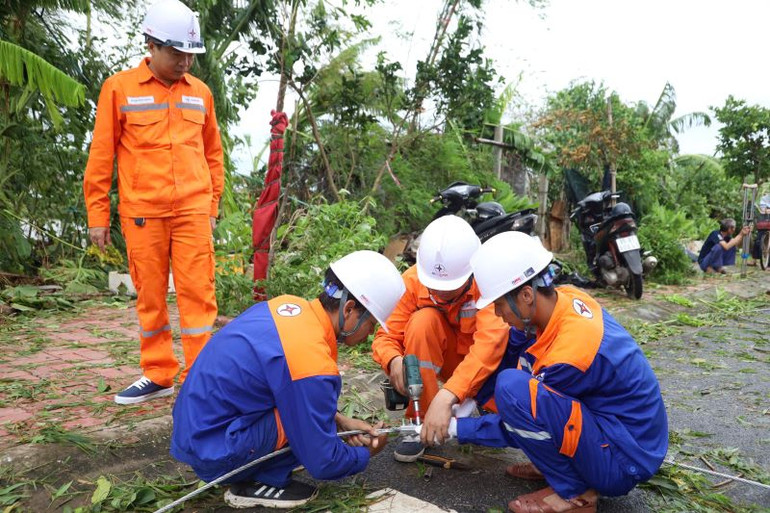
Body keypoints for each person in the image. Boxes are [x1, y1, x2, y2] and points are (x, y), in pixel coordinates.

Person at [443, 232, 667, 513]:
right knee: (508, 351)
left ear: (526, 295)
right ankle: (562, 464)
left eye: (499, 305)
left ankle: (576, 494)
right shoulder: (566, 299)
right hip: (622, 433)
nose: (498, 315)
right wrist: (462, 396)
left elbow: (521, 418)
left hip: (623, 461)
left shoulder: (569, 356)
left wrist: (455, 428)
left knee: (513, 389)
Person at [171, 251, 406, 509]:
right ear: (349, 309)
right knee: (306, 430)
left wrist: (338, 420)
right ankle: (257, 483)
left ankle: (253, 465)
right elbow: (324, 461)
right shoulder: (312, 360)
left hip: (199, 431)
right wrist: (366, 453)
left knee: (308, 414)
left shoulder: (289, 307)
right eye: (371, 324)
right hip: (216, 450)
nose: (370, 334)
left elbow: (285, 385)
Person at [83, 0, 224, 404]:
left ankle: (200, 379)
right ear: (152, 45)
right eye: (176, 53)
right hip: (143, 214)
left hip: (193, 212)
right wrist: (98, 214)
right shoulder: (119, 88)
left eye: (190, 55)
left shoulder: (201, 94)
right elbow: (101, 155)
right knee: (150, 295)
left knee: (199, 295)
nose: (184, 63)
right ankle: (159, 373)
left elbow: (213, 153)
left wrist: (211, 206)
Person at [371, 216, 509, 462]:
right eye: (434, 288)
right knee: (423, 321)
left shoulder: (487, 281)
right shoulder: (412, 282)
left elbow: (490, 345)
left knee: (509, 418)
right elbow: (386, 336)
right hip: (450, 362)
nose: (440, 293)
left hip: (487, 369)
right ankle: (421, 421)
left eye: (450, 288)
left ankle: (479, 404)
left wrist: (448, 396)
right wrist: (393, 361)